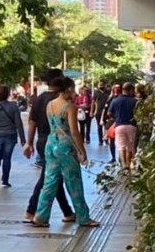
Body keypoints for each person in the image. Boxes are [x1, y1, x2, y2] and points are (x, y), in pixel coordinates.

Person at [32, 78, 100, 228]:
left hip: (50, 144)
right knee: (73, 181)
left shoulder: (50, 105)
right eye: (73, 89)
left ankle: (40, 216)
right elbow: (74, 132)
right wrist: (82, 151)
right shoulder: (70, 107)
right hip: (65, 146)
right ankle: (83, 217)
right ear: (68, 89)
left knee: (49, 181)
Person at [23, 69, 77, 223]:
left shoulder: (39, 99)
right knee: (49, 178)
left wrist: (29, 142)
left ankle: (67, 211)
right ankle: (31, 209)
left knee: (54, 177)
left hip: (42, 141)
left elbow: (32, 122)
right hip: (57, 142)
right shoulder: (60, 100)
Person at [0, 85, 26, 187]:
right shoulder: (13, 107)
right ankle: (5, 180)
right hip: (10, 135)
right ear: (7, 94)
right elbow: (18, 123)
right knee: (7, 158)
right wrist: (22, 137)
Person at [109, 82, 139, 171]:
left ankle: (123, 164)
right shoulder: (135, 101)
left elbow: (109, 113)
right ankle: (130, 163)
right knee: (131, 146)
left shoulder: (115, 100)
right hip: (131, 125)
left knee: (121, 146)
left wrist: (116, 118)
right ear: (130, 90)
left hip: (119, 125)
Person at [91, 81, 110, 146]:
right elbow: (93, 102)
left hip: (106, 112)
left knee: (107, 126)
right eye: (100, 84)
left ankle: (106, 139)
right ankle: (100, 140)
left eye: (102, 84)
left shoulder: (108, 92)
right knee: (99, 127)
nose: (101, 86)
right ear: (98, 85)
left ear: (105, 85)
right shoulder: (96, 92)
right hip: (98, 112)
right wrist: (92, 111)